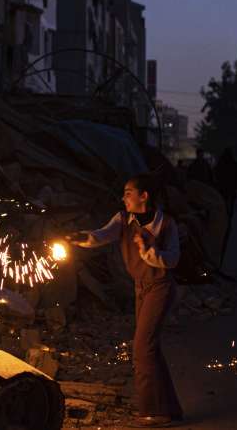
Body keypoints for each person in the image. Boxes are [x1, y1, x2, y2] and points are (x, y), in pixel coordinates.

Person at [71, 173, 183, 427]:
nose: (124, 198)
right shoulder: (123, 220)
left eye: (129, 193)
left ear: (144, 196)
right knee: (149, 348)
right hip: (140, 288)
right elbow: (101, 235)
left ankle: (154, 412)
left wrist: (147, 251)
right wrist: (81, 237)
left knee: (142, 348)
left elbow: (173, 260)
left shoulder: (167, 225)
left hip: (160, 287)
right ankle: (170, 409)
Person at [213, 147, 237, 264]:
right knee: (229, 205)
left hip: (222, 190)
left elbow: (215, 175)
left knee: (223, 205)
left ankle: (225, 217)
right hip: (230, 190)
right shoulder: (234, 165)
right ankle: (228, 217)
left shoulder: (220, 165)